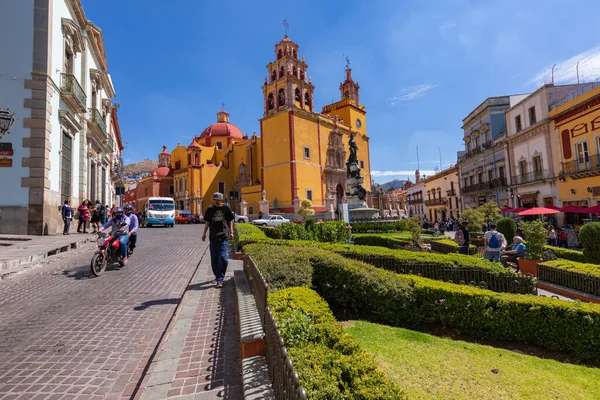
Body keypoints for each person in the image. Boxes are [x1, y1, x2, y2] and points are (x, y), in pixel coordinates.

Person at [202, 192, 234, 288]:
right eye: (215, 199)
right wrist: (204, 233)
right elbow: (207, 222)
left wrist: (231, 232)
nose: (216, 201)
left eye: (218, 199)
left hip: (224, 236)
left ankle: (220, 279)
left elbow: (230, 220)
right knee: (214, 259)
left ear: (221, 199)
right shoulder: (210, 209)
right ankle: (217, 276)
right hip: (213, 237)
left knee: (223, 257)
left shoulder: (226, 208)